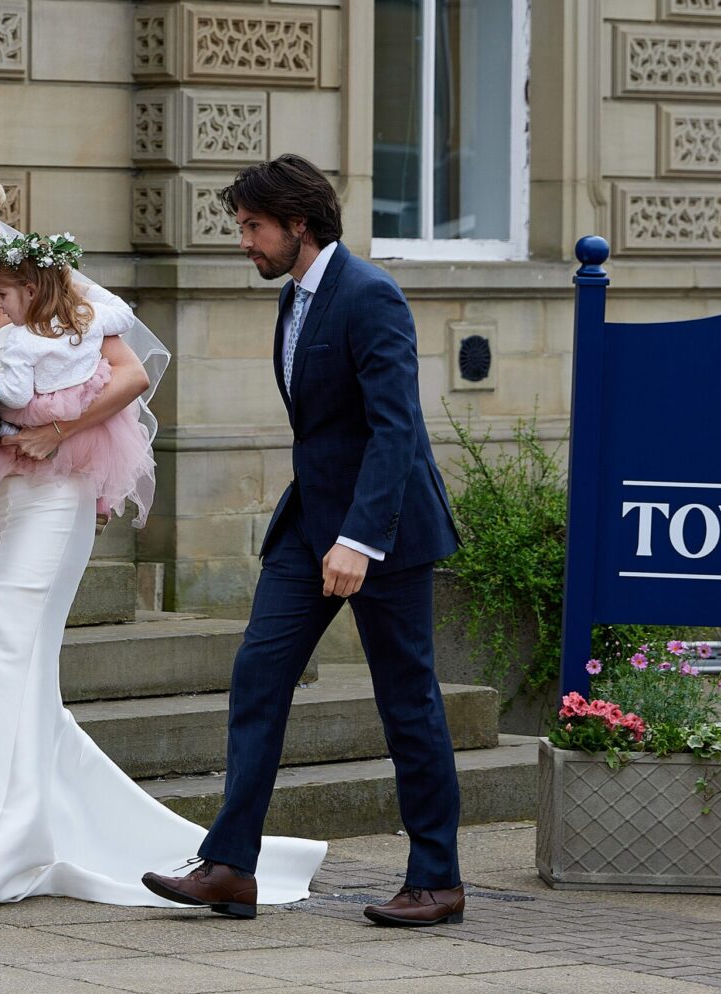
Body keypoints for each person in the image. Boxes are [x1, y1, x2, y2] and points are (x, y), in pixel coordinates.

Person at [0, 169, 326, 910]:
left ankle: (5, 839)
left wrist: (58, 431)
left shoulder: (42, 291)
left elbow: (130, 375)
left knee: (10, 649)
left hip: (48, 500)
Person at [140, 154, 466, 926]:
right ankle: (230, 866)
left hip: (380, 531)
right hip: (308, 526)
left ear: (298, 223)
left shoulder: (370, 295)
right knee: (258, 676)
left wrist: (359, 539)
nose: (244, 241)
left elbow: (396, 431)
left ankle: (437, 879)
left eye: (252, 226)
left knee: (406, 701)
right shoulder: (295, 296)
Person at [0, 229, 156, 578]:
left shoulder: (23, 337)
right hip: (84, 401)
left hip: (39, 412)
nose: (0, 304)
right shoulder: (84, 316)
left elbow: (17, 394)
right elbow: (124, 315)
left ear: (29, 291)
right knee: (99, 445)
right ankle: (102, 500)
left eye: (3, 294)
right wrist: (83, 295)